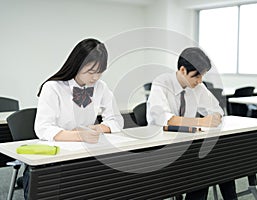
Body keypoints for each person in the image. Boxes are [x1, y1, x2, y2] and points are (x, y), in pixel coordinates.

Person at [23, 38, 124, 199]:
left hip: (85, 156)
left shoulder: (100, 87)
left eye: (100, 72)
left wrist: (95, 129)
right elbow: (43, 128)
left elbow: (116, 121)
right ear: (77, 64)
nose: (96, 77)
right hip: (53, 162)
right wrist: (78, 135)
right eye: (91, 72)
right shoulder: (53, 88)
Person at [146, 47, 237, 200]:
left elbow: (217, 110)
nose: (200, 80)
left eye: (202, 76)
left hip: (187, 145)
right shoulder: (161, 84)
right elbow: (166, 119)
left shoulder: (198, 87)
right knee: (203, 169)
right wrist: (201, 121)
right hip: (162, 148)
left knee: (221, 161)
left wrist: (214, 116)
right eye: (197, 76)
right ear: (183, 70)